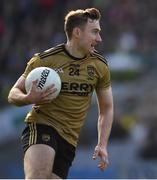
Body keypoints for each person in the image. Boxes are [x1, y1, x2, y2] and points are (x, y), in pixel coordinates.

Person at [8, 7, 114, 179]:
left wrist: (102, 144)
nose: (99, 39)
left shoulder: (100, 66)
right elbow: (13, 93)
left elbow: (107, 108)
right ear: (77, 32)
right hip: (42, 125)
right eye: (94, 32)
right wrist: (28, 98)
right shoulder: (45, 60)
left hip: (69, 139)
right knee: (38, 176)